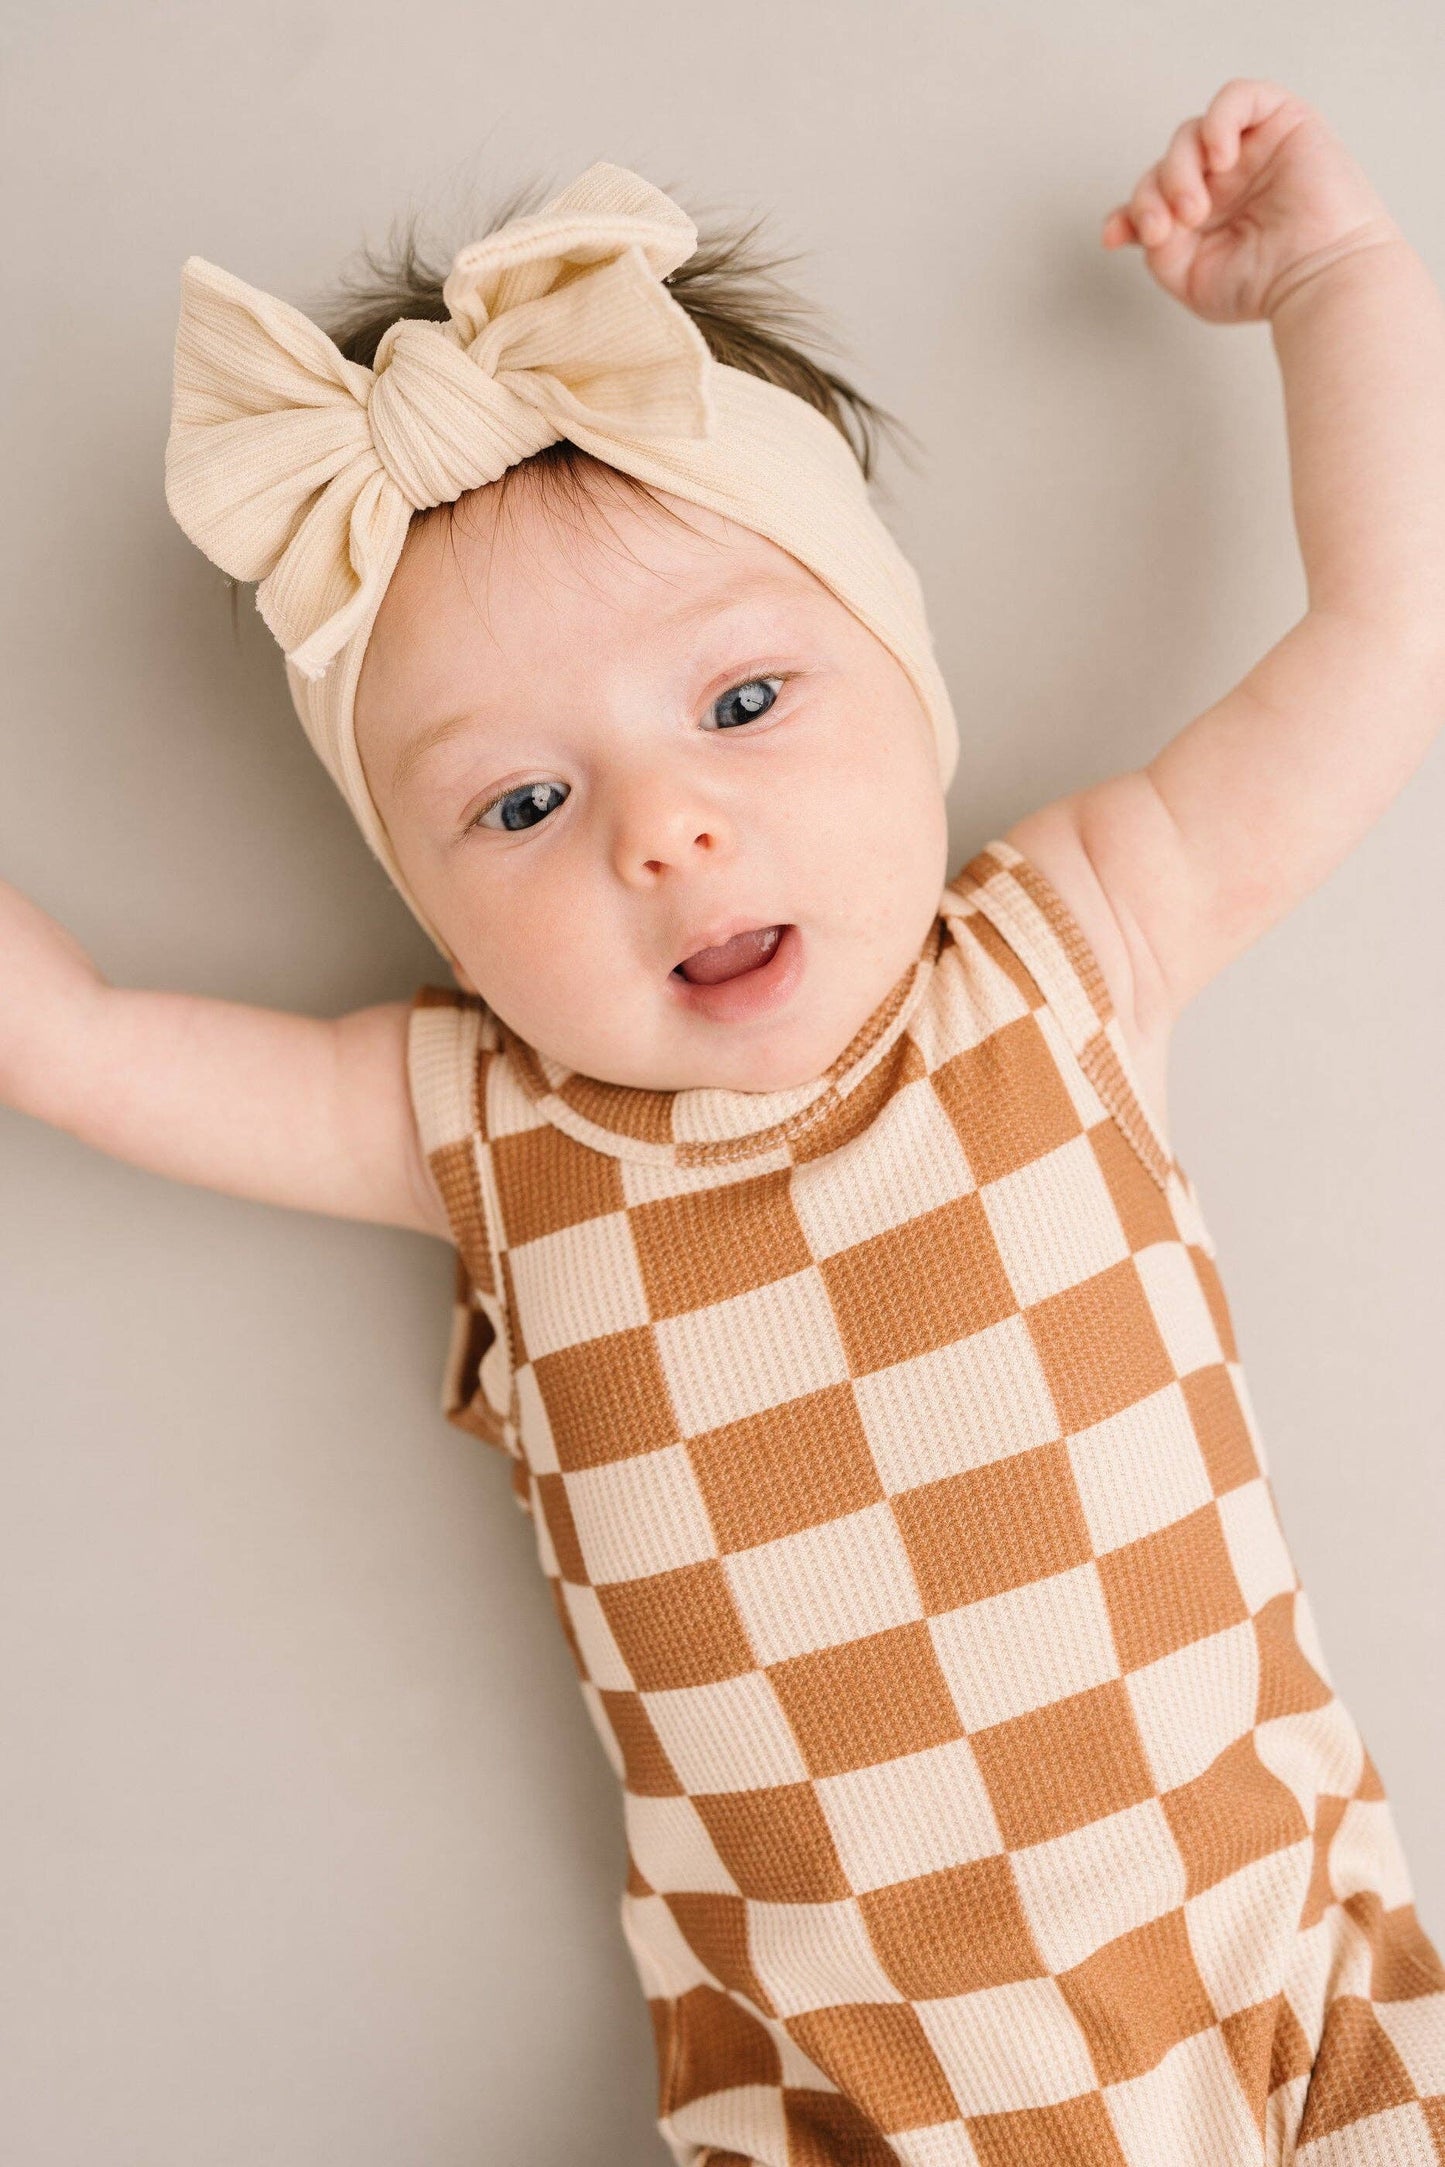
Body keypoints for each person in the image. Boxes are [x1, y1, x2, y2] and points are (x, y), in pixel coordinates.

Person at [5, 73, 1444, 2167]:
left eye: (746, 702)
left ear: (905, 673)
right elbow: (72, 1033)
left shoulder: (1065, 945)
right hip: (852, 2114)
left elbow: (1385, 636)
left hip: (1281, 2023)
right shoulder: (476, 1126)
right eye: (521, 803)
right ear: (435, 908)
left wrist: (1332, 279)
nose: (666, 831)